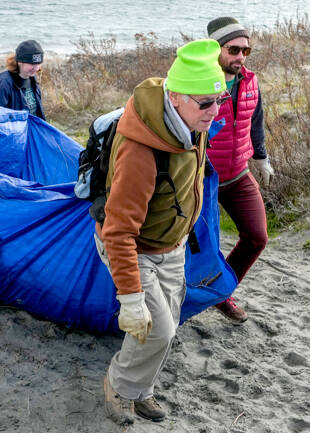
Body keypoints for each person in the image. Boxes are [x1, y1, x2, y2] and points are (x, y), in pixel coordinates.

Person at [94, 40, 227, 425]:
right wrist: (131, 297)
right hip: (134, 246)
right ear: (174, 96)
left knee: (166, 325)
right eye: (205, 103)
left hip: (171, 245)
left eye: (219, 99)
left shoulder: (192, 122)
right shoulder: (141, 152)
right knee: (156, 329)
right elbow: (118, 231)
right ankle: (118, 387)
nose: (214, 111)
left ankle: (140, 390)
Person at [206, 17, 274, 323]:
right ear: (216, 49)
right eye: (234, 49)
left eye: (246, 50)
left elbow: (254, 121)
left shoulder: (250, 81)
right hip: (201, 179)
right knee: (191, 246)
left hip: (237, 174)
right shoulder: (198, 81)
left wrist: (261, 159)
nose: (241, 56)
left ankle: (220, 292)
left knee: (257, 237)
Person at [0, 40, 45, 119]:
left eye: (38, 64)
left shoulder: (33, 80)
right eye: (32, 64)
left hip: (30, 129)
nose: (36, 68)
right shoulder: (3, 83)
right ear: (20, 62)